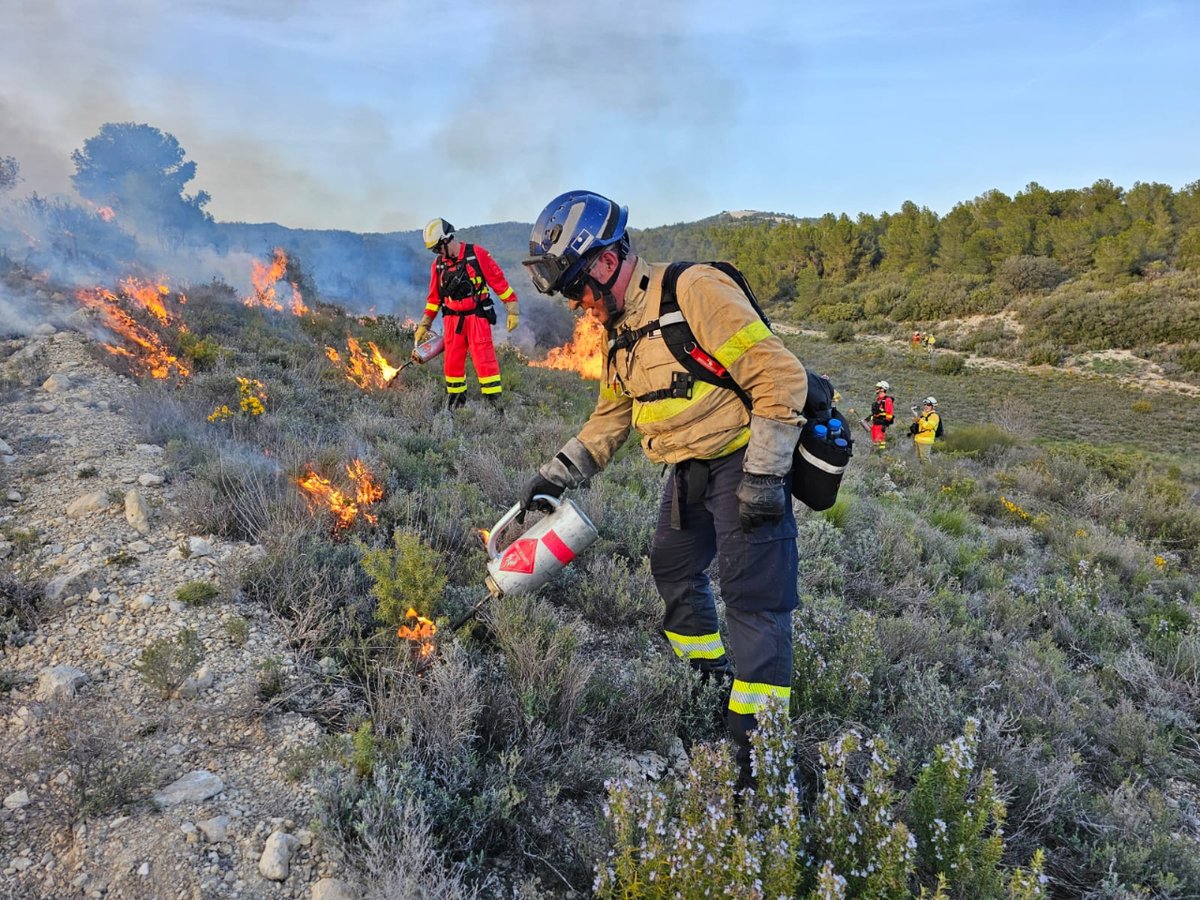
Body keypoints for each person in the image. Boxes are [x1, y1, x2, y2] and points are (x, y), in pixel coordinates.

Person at [517, 190, 808, 791]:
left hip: (742, 462)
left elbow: (780, 376)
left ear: (602, 262)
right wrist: (554, 476)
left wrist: (764, 476)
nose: (577, 305)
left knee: (753, 599)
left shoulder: (693, 291)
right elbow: (609, 420)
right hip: (687, 473)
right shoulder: (619, 331)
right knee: (672, 566)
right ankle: (707, 675)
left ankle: (759, 752)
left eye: (577, 288)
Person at [414, 218, 520, 409]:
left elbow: (498, 282)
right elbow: (433, 298)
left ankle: (495, 406)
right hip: (452, 321)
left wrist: (512, 308)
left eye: (437, 248)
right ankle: (455, 405)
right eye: (433, 250)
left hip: (477, 317)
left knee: (485, 361)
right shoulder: (438, 265)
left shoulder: (476, 254)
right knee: (452, 364)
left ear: (446, 240)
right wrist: (425, 324)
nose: (436, 253)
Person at [910, 396, 940, 461]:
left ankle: (928, 471)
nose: (926, 406)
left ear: (933, 406)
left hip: (926, 441)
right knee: (918, 459)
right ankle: (920, 470)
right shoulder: (922, 415)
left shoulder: (934, 416)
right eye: (925, 405)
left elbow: (929, 426)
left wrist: (919, 420)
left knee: (925, 459)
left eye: (928, 405)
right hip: (918, 439)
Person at [869, 380, 895, 450]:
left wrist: (885, 424)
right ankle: (876, 454)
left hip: (881, 424)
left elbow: (889, 414)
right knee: (875, 442)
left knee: (880, 441)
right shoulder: (878, 399)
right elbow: (876, 413)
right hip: (875, 424)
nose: (876, 389)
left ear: (883, 389)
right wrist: (868, 419)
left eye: (878, 388)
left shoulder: (887, 400)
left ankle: (881, 454)